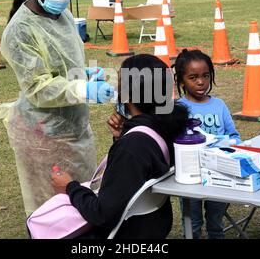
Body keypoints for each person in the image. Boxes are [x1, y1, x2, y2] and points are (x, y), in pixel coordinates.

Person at [0, 0, 114, 216]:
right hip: (41, 135)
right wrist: (83, 89)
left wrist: (84, 75)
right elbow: (38, 87)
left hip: (75, 126)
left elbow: (67, 64)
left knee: (82, 202)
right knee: (52, 213)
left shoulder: (65, 16)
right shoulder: (20, 30)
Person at [51, 54, 189, 239]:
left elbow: (101, 214)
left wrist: (69, 186)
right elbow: (139, 171)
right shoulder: (168, 127)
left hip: (125, 234)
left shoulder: (133, 147)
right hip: (153, 226)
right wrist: (123, 136)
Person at [173, 49, 242, 239]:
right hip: (190, 177)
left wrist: (225, 142)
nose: (201, 82)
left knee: (215, 223)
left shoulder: (219, 105)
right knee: (192, 225)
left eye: (205, 76)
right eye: (193, 77)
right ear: (181, 80)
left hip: (219, 175)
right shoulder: (178, 109)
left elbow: (235, 137)